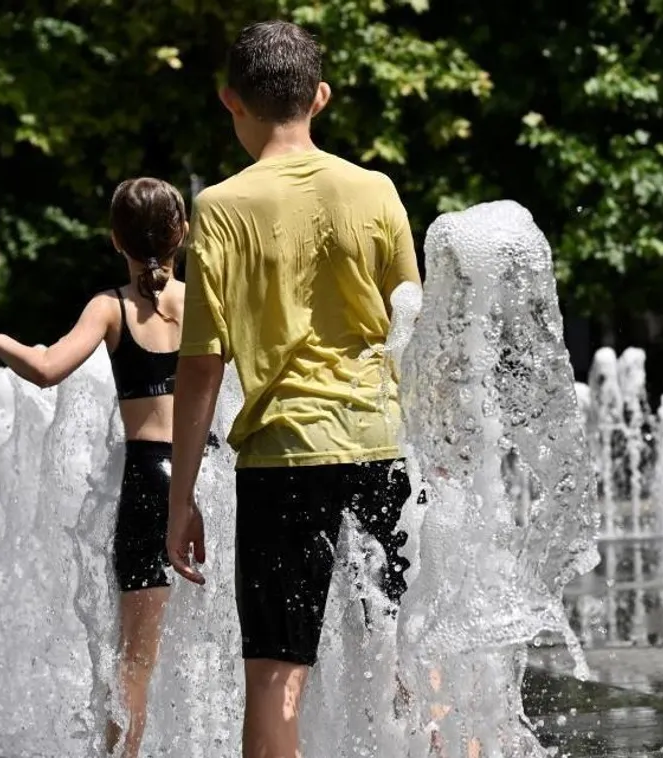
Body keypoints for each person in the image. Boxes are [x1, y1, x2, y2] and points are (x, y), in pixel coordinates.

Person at [165, 20, 422, 758]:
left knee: (277, 678)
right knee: (411, 656)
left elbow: (203, 363)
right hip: (381, 446)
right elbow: (415, 331)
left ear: (229, 102)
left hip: (282, 460)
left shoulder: (221, 206)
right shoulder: (374, 189)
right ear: (320, 97)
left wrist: (182, 498)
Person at [0, 177, 192, 758]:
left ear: (115, 240)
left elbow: (48, 367)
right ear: (182, 233)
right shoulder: (208, 300)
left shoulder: (110, 307)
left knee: (135, 659)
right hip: (209, 479)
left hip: (149, 482)